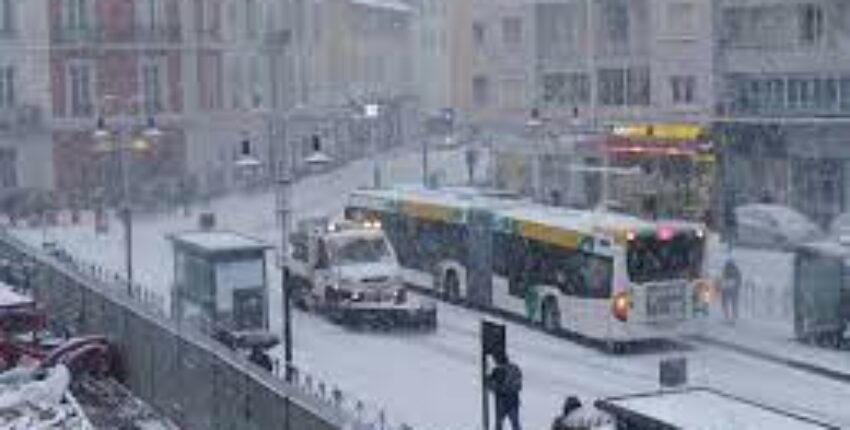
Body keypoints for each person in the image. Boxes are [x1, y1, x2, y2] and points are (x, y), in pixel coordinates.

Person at [487, 353, 522, 430]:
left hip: (503, 400)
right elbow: (519, 385)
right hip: (512, 399)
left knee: (500, 424)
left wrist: (490, 381)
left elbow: (492, 387)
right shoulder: (515, 368)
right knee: (514, 423)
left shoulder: (497, 371)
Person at [721, 257, 742, 322]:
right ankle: (731, 316)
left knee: (729, 303)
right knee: (732, 303)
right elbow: (739, 279)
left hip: (730, 289)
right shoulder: (733, 270)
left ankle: (731, 316)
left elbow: (738, 279)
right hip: (730, 289)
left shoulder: (727, 269)